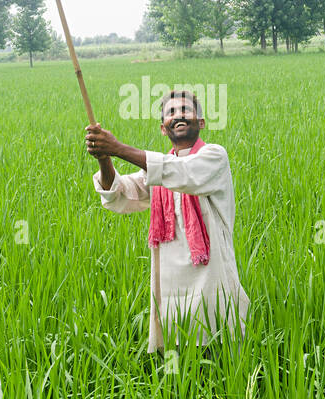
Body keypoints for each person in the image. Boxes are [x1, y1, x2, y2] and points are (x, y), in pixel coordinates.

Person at [85, 90, 249, 354]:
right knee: (181, 367)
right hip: (173, 291)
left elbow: (182, 173)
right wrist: (105, 158)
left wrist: (118, 148)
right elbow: (119, 194)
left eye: (185, 110)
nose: (178, 115)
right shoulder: (158, 172)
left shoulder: (214, 157)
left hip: (212, 282)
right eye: (171, 113)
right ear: (164, 129)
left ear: (202, 122)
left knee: (220, 354)